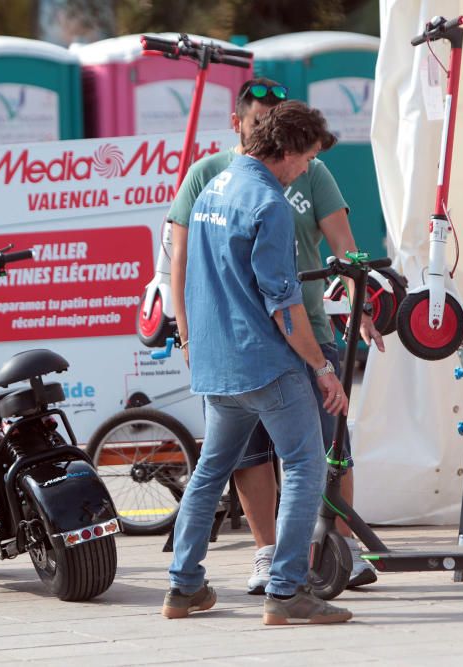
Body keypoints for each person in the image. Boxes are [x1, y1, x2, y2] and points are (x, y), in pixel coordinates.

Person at [168, 78, 384, 595]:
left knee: (208, 473)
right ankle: (287, 589)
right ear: (284, 150)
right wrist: (323, 368)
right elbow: (285, 309)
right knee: (310, 463)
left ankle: (183, 585)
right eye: (305, 158)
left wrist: (192, 339)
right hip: (267, 360)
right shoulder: (269, 202)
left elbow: (193, 271)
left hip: (218, 366)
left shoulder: (213, 188)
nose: (307, 169)